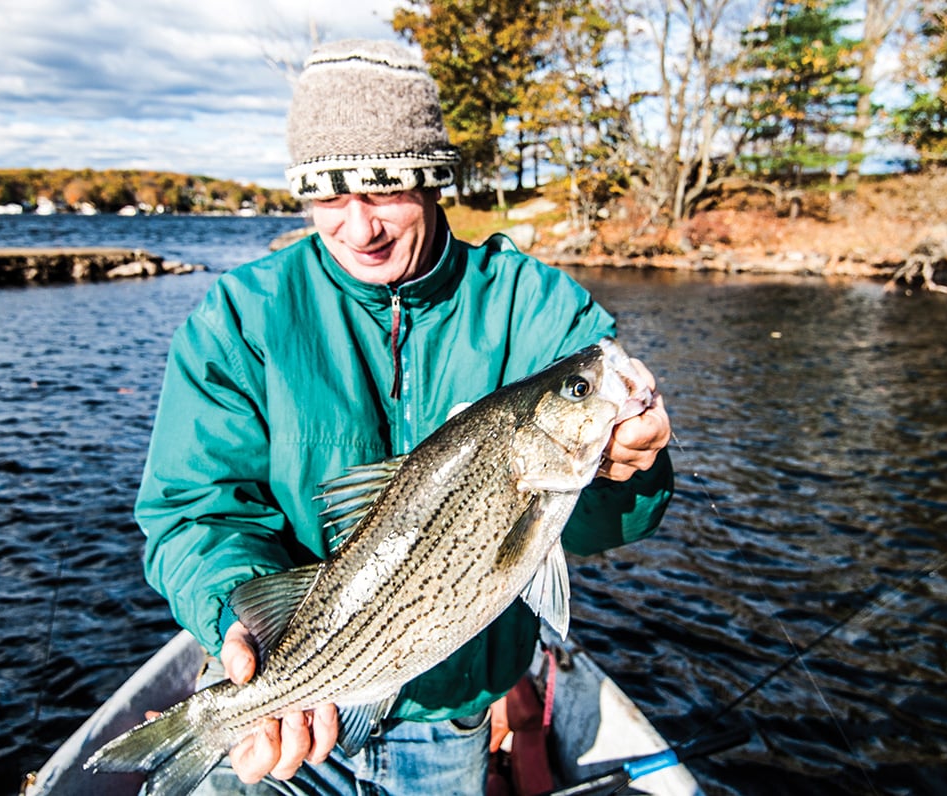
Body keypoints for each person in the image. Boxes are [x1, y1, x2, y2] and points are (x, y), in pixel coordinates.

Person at [135, 38, 673, 795]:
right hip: (286, 695)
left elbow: (603, 525)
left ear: (434, 183)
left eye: (385, 190)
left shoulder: (538, 308)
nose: (360, 229)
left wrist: (629, 470)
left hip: (450, 712)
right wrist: (239, 622)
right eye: (328, 196)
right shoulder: (238, 318)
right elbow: (194, 508)